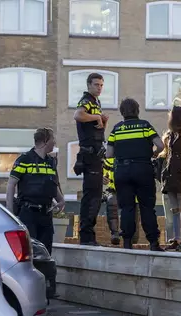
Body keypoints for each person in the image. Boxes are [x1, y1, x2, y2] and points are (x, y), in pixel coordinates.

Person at [105, 98, 165, 251]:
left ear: (122, 112)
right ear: (137, 110)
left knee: (127, 208)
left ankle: (127, 242)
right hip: (143, 169)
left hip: (122, 171)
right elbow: (160, 145)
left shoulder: (116, 129)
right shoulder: (145, 126)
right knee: (147, 206)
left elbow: (109, 154)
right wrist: (152, 154)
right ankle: (153, 242)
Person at [6, 128, 65, 254]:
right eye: (52, 139)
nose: (54, 142)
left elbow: (53, 183)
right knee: (29, 253)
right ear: (45, 141)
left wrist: (60, 200)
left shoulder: (51, 162)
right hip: (29, 213)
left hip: (46, 215)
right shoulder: (24, 160)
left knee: (46, 253)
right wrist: (10, 212)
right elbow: (11, 185)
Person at [73, 73, 109, 246]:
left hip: (95, 153)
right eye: (96, 85)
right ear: (89, 85)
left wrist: (102, 121)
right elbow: (78, 115)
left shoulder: (96, 102)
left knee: (95, 195)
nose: (99, 88)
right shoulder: (86, 100)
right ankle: (86, 236)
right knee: (92, 196)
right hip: (89, 153)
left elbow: (96, 130)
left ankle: (89, 235)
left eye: (101, 85)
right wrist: (96, 117)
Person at [159, 105, 181, 250]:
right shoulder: (170, 135)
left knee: (180, 207)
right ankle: (177, 238)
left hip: (180, 175)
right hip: (171, 177)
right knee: (174, 208)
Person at [101, 156, 121, 245]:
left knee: (132, 214)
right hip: (114, 190)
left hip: (132, 192)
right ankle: (115, 234)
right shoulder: (110, 159)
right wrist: (102, 177)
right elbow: (103, 172)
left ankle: (130, 237)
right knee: (111, 202)